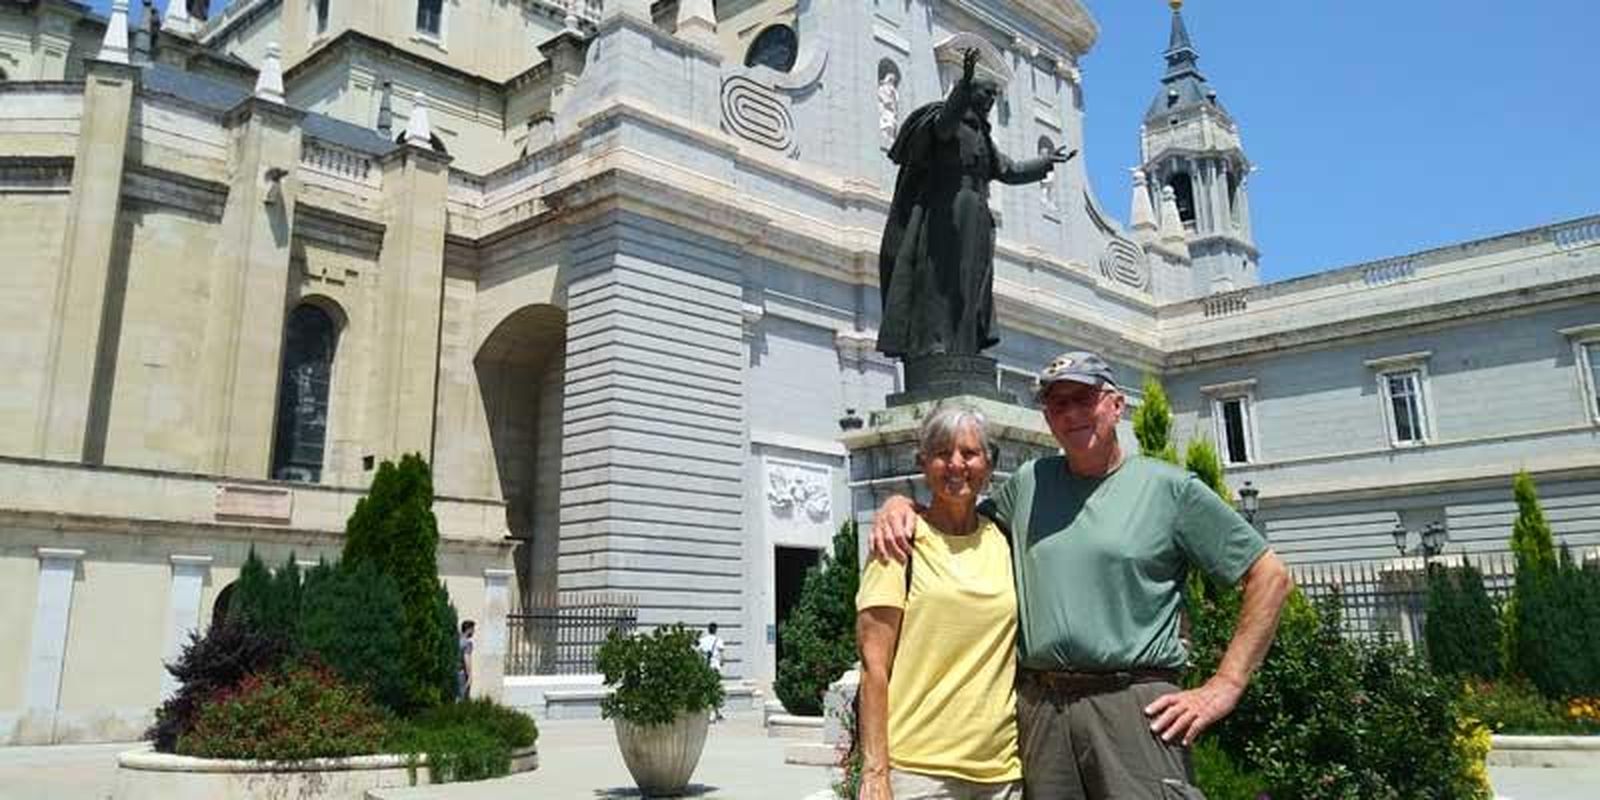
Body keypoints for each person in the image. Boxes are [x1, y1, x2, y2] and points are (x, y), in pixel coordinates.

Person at [872, 352, 1293, 800]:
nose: (1071, 413)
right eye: (1057, 404)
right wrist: (901, 505)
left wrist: (1225, 685)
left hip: (1134, 707)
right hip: (1042, 715)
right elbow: (957, 517)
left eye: (1084, 398)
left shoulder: (1169, 489)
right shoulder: (1030, 483)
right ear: (1047, 419)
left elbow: (1269, 576)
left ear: (1116, 405)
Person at [856, 404, 1022, 800]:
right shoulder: (897, 542)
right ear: (923, 463)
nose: (956, 464)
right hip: (920, 773)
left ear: (989, 463)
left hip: (1001, 774)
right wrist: (875, 772)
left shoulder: (1005, 539)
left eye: (969, 453)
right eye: (942, 453)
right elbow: (873, 667)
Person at [877, 46, 1075, 361]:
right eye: (985, 94)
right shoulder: (947, 123)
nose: (990, 102)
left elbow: (1008, 170)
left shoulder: (982, 137)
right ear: (969, 94)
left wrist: (1045, 161)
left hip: (977, 218)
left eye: (993, 98)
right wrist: (962, 84)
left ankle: (964, 345)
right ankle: (934, 343)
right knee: (940, 278)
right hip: (946, 212)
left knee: (971, 283)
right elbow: (943, 124)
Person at [697, 622, 726, 721]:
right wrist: (721, 662)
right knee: (714, 690)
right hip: (715, 668)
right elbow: (722, 657)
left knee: (706, 690)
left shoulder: (702, 641)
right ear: (716, 630)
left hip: (705, 668)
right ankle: (715, 713)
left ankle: (711, 712)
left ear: (708, 629)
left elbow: (699, 654)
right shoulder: (719, 641)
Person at [457, 619, 475, 701]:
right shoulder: (467, 643)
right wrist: (470, 676)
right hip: (461, 673)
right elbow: (467, 659)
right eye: (473, 629)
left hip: (452, 671)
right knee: (462, 697)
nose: (474, 632)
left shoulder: (456, 640)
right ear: (469, 629)